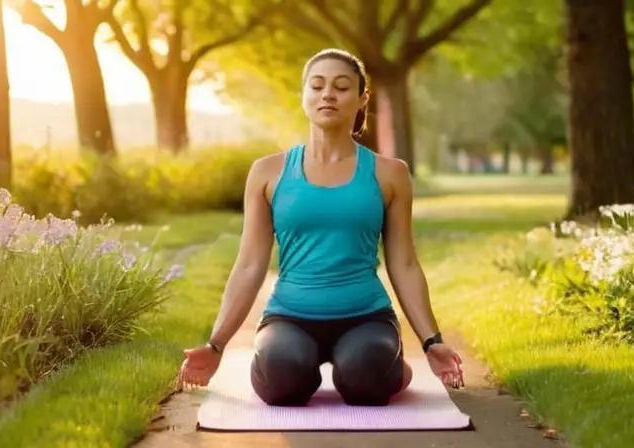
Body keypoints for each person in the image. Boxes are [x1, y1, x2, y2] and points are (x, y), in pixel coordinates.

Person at [179, 48, 464, 407]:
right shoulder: (268, 172)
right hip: (289, 317)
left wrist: (431, 341)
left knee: (366, 380)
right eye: (317, 85)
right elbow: (250, 264)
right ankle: (283, 358)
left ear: (362, 99)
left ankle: (389, 364)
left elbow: (404, 264)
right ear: (304, 96)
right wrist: (216, 343)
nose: (327, 94)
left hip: (366, 316)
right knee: (283, 381)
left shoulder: (390, 174)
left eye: (341, 87)